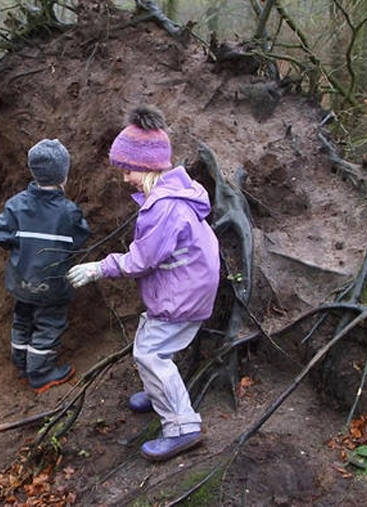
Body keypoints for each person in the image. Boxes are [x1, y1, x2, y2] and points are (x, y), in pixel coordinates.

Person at [66, 106, 220, 461]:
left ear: (149, 167)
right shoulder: (175, 194)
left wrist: (97, 268)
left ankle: (182, 427)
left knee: (151, 353)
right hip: (188, 286)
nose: (124, 179)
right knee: (150, 340)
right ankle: (158, 393)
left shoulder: (163, 208)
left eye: (128, 170)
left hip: (182, 294)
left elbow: (141, 260)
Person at [0, 139, 90, 393]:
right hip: (52, 284)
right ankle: (41, 373)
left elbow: (0, 232)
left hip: (21, 279)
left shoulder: (16, 204)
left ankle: (21, 363)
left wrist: (20, 247)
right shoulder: (69, 212)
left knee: (22, 318)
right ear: (64, 177)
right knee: (49, 324)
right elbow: (80, 238)